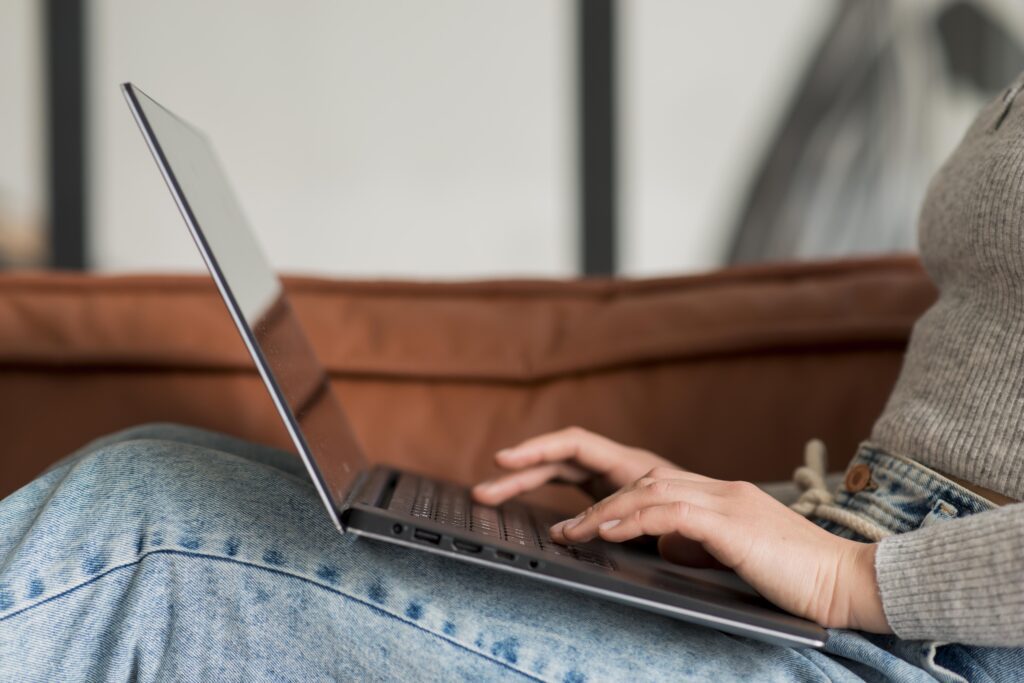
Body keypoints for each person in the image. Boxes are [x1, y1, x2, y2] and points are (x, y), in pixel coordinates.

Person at [2, 74, 1024, 682]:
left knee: (147, 538)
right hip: (878, 595)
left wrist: (852, 578)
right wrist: (742, 521)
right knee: (161, 465)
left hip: (917, 647)